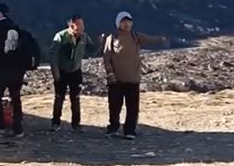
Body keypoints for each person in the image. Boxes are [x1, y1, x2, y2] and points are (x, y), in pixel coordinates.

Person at [103, 11, 167, 139]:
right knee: (115, 106)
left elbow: (150, 39)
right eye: (124, 22)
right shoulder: (111, 39)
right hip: (116, 80)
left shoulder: (136, 36)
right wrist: (110, 74)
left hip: (133, 79)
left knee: (132, 107)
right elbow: (106, 58)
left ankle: (130, 130)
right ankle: (113, 127)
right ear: (118, 23)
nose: (127, 24)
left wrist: (161, 39)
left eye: (129, 22)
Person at [49, 13, 95, 133]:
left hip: (76, 71)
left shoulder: (84, 37)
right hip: (62, 71)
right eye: (78, 24)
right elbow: (53, 55)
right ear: (71, 25)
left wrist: (101, 41)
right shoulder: (61, 36)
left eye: (82, 24)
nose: (81, 27)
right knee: (59, 98)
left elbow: (92, 49)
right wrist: (56, 73)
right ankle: (55, 122)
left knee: (75, 98)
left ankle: (76, 124)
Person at [0, 3, 25, 138]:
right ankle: (18, 128)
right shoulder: (16, 27)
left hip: (3, 68)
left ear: (0, 13)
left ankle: (0, 125)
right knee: (16, 98)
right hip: (17, 69)